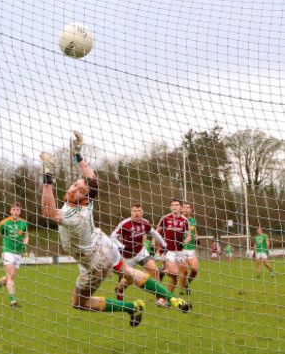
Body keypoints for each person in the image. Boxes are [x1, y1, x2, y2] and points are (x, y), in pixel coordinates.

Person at [39, 131, 191, 327]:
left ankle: (129, 307)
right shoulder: (87, 202)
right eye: (75, 185)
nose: (73, 189)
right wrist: (77, 153)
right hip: (103, 244)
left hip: (94, 263)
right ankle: (172, 299)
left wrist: (48, 177)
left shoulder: (75, 216)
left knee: (79, 303)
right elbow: (91, 177)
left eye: (80, 190)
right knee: (128, 271)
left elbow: (48, 212)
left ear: (85, 198)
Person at [111, 203, 167, 302]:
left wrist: (164, 244)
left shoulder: (145, 222)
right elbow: (112, 237)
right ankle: (120, 289)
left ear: (142, 213)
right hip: (128, 256)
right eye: (134, 211)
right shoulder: (125, 223)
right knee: (130, 280)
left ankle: (160, 298)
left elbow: (154, 233)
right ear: (131, 212)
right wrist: (121, 246)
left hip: (141, 251)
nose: (136, 213)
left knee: (154, 270)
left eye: (139, 211)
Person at [0, 203, 29, 307]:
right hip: (7, 251)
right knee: (10, 276)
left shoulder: (24, 223)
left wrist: (25, 244)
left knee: (9, 278)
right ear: (10, 211)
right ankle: (13, 301)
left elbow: (26, 235)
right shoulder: (4, 223)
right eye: (14, 209)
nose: (16, 211)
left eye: (18, 210)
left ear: (20, 212)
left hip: (18, 252)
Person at [155, 199, 191, 306]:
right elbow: (156, 231)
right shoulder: (165, 218)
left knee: (177, 276)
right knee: (174, 272)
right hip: (168, 250)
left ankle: (167, 299)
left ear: (180, 208)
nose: (175, 206)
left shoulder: (184, 220)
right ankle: (162, 272)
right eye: (173, 205)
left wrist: (184, 242)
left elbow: (189, 236)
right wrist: (155, 244)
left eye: (177, 205)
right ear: (170, 208)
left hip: (179, 250)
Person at [179, 202, 199, 296]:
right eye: (185, 207)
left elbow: (195, 232)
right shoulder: (179, 219)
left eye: (189, 207)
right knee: (185, 270)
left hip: (191, 248)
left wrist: (196, 238)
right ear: (182, 209)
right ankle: (182, 288)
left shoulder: (193, 220)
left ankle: (187, 284)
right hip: (181, 248)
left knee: (194, 270)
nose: (187, 209)